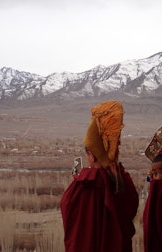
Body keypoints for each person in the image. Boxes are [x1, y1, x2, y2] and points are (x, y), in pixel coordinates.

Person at [60, 100, 139, 252]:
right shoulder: (123, 180)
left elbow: (67, 208)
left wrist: (76, 185)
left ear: (92, 156)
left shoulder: (86, 186)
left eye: (87, 154)